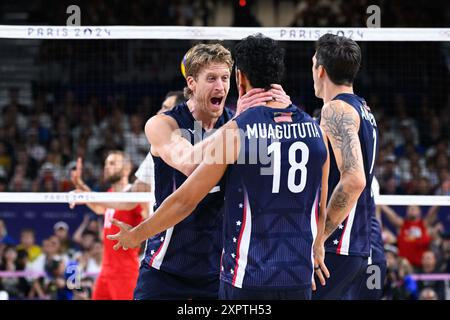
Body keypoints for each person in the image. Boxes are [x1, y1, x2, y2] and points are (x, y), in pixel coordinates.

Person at [108, 34, 330, 300]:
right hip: (165, 267)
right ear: (191, 83)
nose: (221, 86)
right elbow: (189, 163)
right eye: (211, 79)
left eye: (225, 78)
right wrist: (239, 121)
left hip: (219, 271)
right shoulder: (164, 124)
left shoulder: (240, 125)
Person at [310, 34, 378, 300]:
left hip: (337, 245)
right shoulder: (363, 108)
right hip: (356, 243)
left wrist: (320, 237)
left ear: (321, 70)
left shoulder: (335, 109)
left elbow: (354, 180)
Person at [78, 150, 144, 300]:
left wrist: (87, 194)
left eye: (113, 163)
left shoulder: (136, 195)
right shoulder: (109, 195)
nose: (107, 167)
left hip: (124, 271)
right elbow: (99, 207)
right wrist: (82, 188)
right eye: (106, 164)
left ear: (127, 168)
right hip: (106, 269)